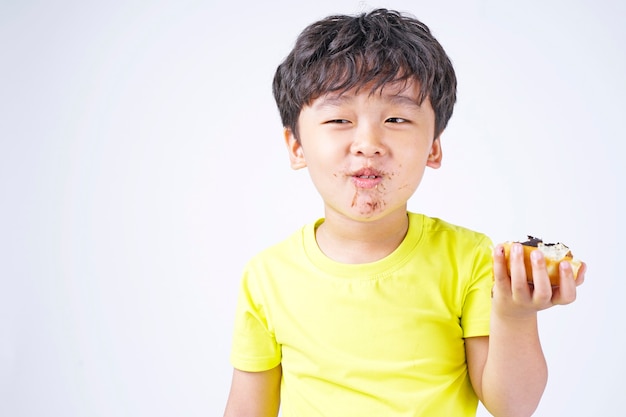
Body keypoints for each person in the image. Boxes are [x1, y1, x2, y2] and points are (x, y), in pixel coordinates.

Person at [223, 8, 585, 417]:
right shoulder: (267, 275)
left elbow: (512, 406)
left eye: (396, 118)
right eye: (339, 118)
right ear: (297, 147)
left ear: (433, 146)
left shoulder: (469, 258)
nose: (368, 143)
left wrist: (515, 314)